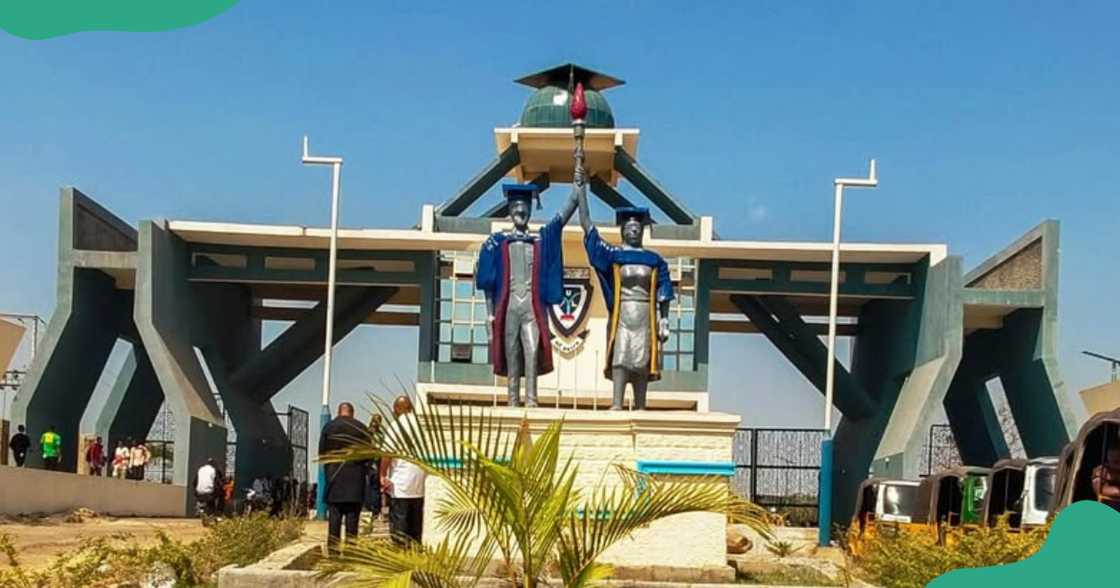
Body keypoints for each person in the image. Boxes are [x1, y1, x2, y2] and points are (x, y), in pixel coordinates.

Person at [475, 184, 578, 407]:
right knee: (512, 354)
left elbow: (561, 220)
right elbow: (488, 282)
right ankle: (513, 399)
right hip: (509, 307)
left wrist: (576, 191)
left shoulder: (540, 242)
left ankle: (531, 399)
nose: (520, 213)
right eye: (516, 208)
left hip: (532, 309)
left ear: (530, 211)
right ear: (510, 211)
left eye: (524, 209)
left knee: (531, 351)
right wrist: (490, 314)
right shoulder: (497, 243)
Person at [578, 187, 673, 410]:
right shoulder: (614, 256)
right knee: (620, 357)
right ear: (622, 231)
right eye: (629, 228)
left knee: (642, 361)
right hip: (622, 315)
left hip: (645, 316)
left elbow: (664, 289)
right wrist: (580, 193)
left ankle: (641, 406)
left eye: (636, 228)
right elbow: (589, 230)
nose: (633, 232)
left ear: (642, 231)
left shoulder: (654, 260)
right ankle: (616, 403)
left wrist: (664, 319)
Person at [319, 401, 370, 552]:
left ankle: (333, 553)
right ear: (352, 413)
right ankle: (350, 553)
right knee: (352, 520)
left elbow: (322, 453)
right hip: (355, 480)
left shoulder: (329, 427)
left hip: (334, 478)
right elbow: (370, 454)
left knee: (334, 519)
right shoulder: (361, 428)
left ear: (338, 411)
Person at [381, 396, 426, 544]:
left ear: (397, 409)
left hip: (400, 484)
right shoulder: (421, 425)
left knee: (400, 529)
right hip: (419, 484)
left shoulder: (396, 426)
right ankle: (415, 559)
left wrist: (382, 475)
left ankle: (401, 561)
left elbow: (387, 453)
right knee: (415, 529)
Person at [366, 414, 384, 520]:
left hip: (372, 461)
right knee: (374, 487)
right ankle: (374, 510)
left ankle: (372, 509)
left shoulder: (367, 432)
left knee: (372, 486)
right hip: (374, 461)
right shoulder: (379, 435)